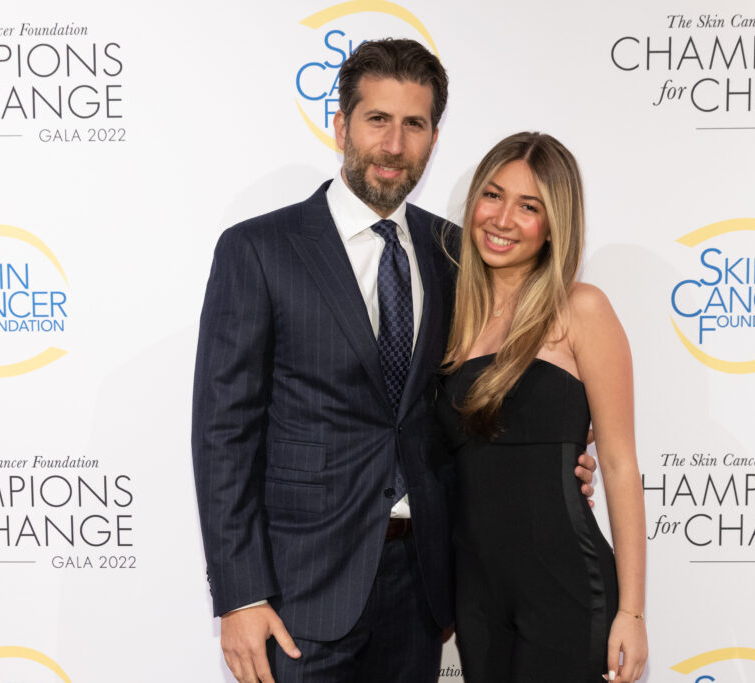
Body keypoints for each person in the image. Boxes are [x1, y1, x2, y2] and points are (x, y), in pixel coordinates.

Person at [192, 41, 596, 683]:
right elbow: (223, 434)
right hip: (300, 590)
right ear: (340, 125)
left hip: (423, 587)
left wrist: (554, 461)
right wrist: (242, 596)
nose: (394, 144)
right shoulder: (260, 250)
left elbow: (480, 395)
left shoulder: (457, 254)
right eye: (377, 119)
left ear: (434, 138)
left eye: (414, 124)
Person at [436, 132, 648, 683]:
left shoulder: (581, 309)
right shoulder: (449, 316)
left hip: (565, 583)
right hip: (475, 595)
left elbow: (619, 464)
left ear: (555, 224)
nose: (502, 219)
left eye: (529, 206)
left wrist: (632, 613)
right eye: (492, 195)